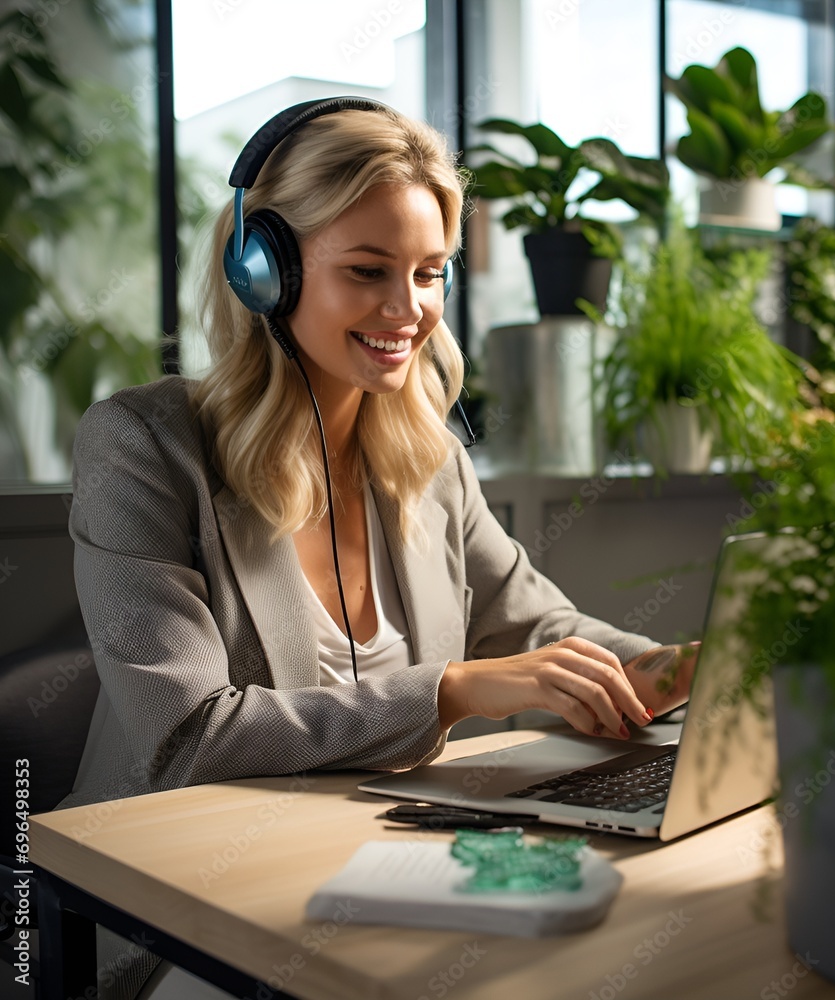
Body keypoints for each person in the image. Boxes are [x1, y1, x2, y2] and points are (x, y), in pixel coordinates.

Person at [62, 98, 698, 1000]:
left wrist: (691, 674)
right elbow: (186, 738)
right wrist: (452, 690)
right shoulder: (145, 448)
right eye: (368, 271)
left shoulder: (426, 456)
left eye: (432, 273)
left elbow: (538, 621)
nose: (411, 310)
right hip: (176, 910)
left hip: (378, 869)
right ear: (263, 270)